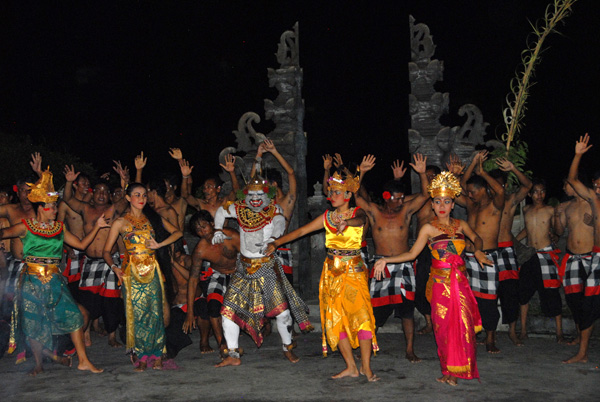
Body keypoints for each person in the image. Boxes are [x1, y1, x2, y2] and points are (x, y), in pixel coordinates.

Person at [373, 171, 490, 386]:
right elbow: (411, 254)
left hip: (460, 283)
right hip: (440, 284)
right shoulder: (428, 228)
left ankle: (458, 370)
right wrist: (386, 261)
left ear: (453, 204)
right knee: (443, 328)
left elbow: (477, 238)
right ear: (433, 205)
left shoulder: (461, 225)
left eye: (446, 201)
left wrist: (479, 251)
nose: (442, 205)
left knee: (462, 326)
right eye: (437, 201)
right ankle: (447, 370)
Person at [267, 168, 379, 381]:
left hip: (353, 271)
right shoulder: (327, 217)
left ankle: (366, 367)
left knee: (362, 318)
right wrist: (276, 242)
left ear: (348, 195)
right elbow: (301, 232)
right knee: (336, 321)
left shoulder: (356, 213)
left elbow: (361, 221)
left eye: (337, 192)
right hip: (331, 273)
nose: (332, 196)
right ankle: (351, 367)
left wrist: (346, 223)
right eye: (331, 191)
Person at [0, 168, 104, 375]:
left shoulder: (59, 229)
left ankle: (83, 360)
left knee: (76, 316)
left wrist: (98, 227)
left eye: (55, 207)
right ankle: (38, 363)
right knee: (34, 324)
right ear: (40, 208)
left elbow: (82, 244)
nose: (54, 210)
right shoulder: (25, 227)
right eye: (50, 207)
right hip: (31, 280)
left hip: (55, 281)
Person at [213, 174, 312, 367]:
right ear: (245, 195)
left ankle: (288, 347)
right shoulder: (239, 209)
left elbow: (279, 223)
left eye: (259, 194)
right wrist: (218, 229)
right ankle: (233, 354)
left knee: (282, 313)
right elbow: (221, 212)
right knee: (228, 311)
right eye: (251, 194)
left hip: (266, 267)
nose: (255, 198)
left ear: (267, 195)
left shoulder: (274, 209)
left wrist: (273, 238)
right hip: (243, 269)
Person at [355, 153, 429, 363]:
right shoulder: (375, 211)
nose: (400, 201)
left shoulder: (405, 211)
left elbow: (425, 195)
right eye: (395, 198)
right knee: (376, 310)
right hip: (380, 265)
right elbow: (358, 198)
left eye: (401, 198)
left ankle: (409, 350)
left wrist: (422, 173)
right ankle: (366, 347)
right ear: (386, 196)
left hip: (404, 264)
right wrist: (361, 173)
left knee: (407, 311)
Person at [102, 183, 182, 371]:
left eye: (144, 195)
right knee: (137, 315)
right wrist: (115, 268)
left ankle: (158, 354)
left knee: (156, 313)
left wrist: (160, 244)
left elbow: (178, 232)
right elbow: (106, 251)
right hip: (131, 273)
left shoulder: (153, 218)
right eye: (137, 195)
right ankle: (143, 356)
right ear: (128, 198)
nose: (142, 198)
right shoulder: (120, 223)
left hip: (153, 270)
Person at [63, 166, 123, 347]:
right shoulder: (85, 208)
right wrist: (68, 181)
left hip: (110, 261)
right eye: (98, 191)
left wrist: (126, 179)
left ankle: (113, 336)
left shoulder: (114, 209)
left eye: (106, 191)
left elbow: (129, 198)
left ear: (110, 195)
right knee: (87, 299)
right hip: (90, 262)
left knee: (112, 299)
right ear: (93, 193)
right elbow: (67, 200)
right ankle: (85, 332)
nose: (102, 194)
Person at [456, 151, 505, 353]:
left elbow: (500, 191)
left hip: (487, 257)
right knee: (469, 298)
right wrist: (473, 163)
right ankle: (472, 334)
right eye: (469, 192)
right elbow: (459, 187)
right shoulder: (471, 205)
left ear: (483, 190)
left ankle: (491, 338)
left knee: (489, 299)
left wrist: (483, 172)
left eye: (473, 192)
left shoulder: (495, 205)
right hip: (468, 256)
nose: (469, 195)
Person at [563, 134, 600, 364]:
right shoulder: (595, 201)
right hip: (596, 256)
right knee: (587, 305)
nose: (597, 189)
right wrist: (577, 155)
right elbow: (573, 179)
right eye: (596, 185)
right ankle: (583, 353)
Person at [182, 210, 240, 355]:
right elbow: (193, 279)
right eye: (198, 229)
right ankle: (222, 343)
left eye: (204, 226)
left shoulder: (230, 235)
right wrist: (190, 312)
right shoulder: (201, 250)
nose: (202, 231)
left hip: (238, 271)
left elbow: (248, 256)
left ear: (212, 224)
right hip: (218, 274)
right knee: (213, 306)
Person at [515, 178, 564, 342]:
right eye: (536, 191)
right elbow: (527, 230)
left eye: (542, 191)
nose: (539, 194)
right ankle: (522, 331)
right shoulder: (526, 209)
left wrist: (555, 233)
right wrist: (514, 240)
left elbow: (558, 230)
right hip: (530, 255)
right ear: (530, 194)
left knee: (552, 292)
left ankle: (559, 332)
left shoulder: (551, 209)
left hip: (546, 254)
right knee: (523, 293)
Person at [491, 158, 532, 346]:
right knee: (489, 292)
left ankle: (513, 332)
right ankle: (488, 332)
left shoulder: (510, 200)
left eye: (500, 184)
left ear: (505, 185)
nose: (497, 188)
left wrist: (513, 167)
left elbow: (527, 185)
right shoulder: (484, 204)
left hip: (506, 249)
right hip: (489, 250)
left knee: (510, 293)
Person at [555, 178, 594, 345]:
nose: (564, 188)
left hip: (591, 257)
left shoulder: (593, 203)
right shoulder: (567, 206)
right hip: (571, 257)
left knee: (590, 300)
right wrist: (557, 215)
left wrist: (594, 222)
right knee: (573, 300)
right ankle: (580, 335)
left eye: (566, 184)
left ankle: (585, 338)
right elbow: (559, 231)